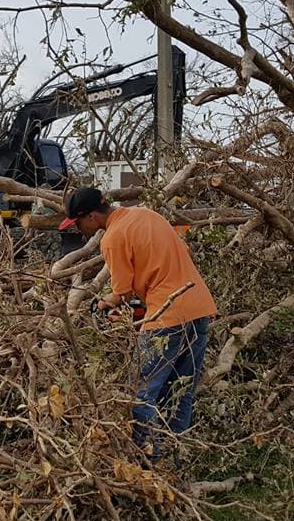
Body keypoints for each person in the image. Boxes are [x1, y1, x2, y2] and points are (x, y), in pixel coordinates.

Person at [59, 187, 218, 463]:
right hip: (199, 307)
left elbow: (122, 293)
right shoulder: (146, 214)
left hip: (166, 316)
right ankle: (175, 460)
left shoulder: (112, 238)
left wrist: (102, 304)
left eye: (78, 223)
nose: (78, 229)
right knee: (180, 392)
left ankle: (148, 462)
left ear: (91, 217)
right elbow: (183, 252)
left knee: (139, 393)